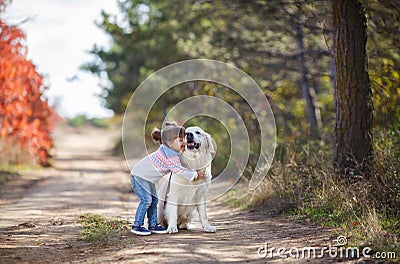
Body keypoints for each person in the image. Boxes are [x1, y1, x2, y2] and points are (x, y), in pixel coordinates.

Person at [130, 122, 205, 235]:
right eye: (180, 140)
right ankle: (137, 225)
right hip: (139, 176)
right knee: (146, 201)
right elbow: (178, 170)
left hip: (147, 178)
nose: (184, 142)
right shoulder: (169, 154)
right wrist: (195, 174)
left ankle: (153, 224)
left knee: (154, 200)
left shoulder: (170, 151)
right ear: (170, 143)